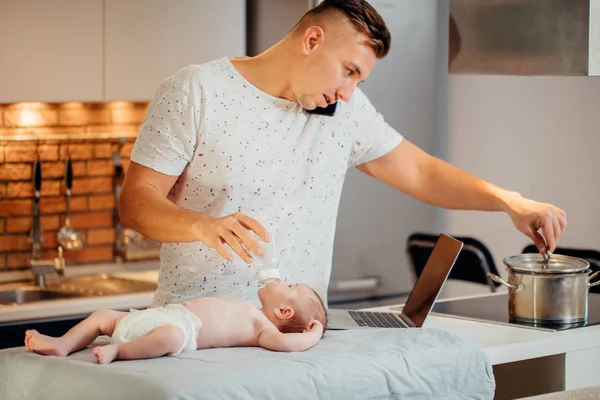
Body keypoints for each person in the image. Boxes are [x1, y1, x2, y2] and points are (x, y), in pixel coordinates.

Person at [118, 0, 566, 308]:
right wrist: (202, 225)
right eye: (348, 71)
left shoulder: (343, 111)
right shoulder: (196, 91)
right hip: (199, 331)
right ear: (312, 41)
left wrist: (511, 200)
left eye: (360, 80)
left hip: (298, 333)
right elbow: (137, 202)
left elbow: (420, 171)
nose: (349, 92)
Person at [24, 280, 327, 364]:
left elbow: (288, 345)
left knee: (170, 338)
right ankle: (63, 344)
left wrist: (313, 334)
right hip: (165, 314)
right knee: (104, 316)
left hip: (182, 330)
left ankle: (121, 352)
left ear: (284, 313)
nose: (283, 281)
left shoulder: (263, 329)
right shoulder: (251, 308)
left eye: (290, 287)